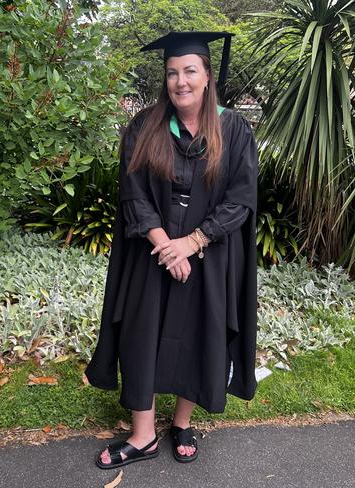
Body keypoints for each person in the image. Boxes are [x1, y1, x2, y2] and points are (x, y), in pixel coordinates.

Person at [85, 31, 259, 469]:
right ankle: (143, 435)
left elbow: (241, 199)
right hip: (152, 253)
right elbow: (133, 193)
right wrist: (165, 244)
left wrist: (193, 243)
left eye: (189, 71)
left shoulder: (235, 129)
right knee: (140, 335)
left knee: (200, 334)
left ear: (206, 76)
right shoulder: (146, 126)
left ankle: (182, 421)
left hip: (209, 254)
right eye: (172, 73)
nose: (180, 81)